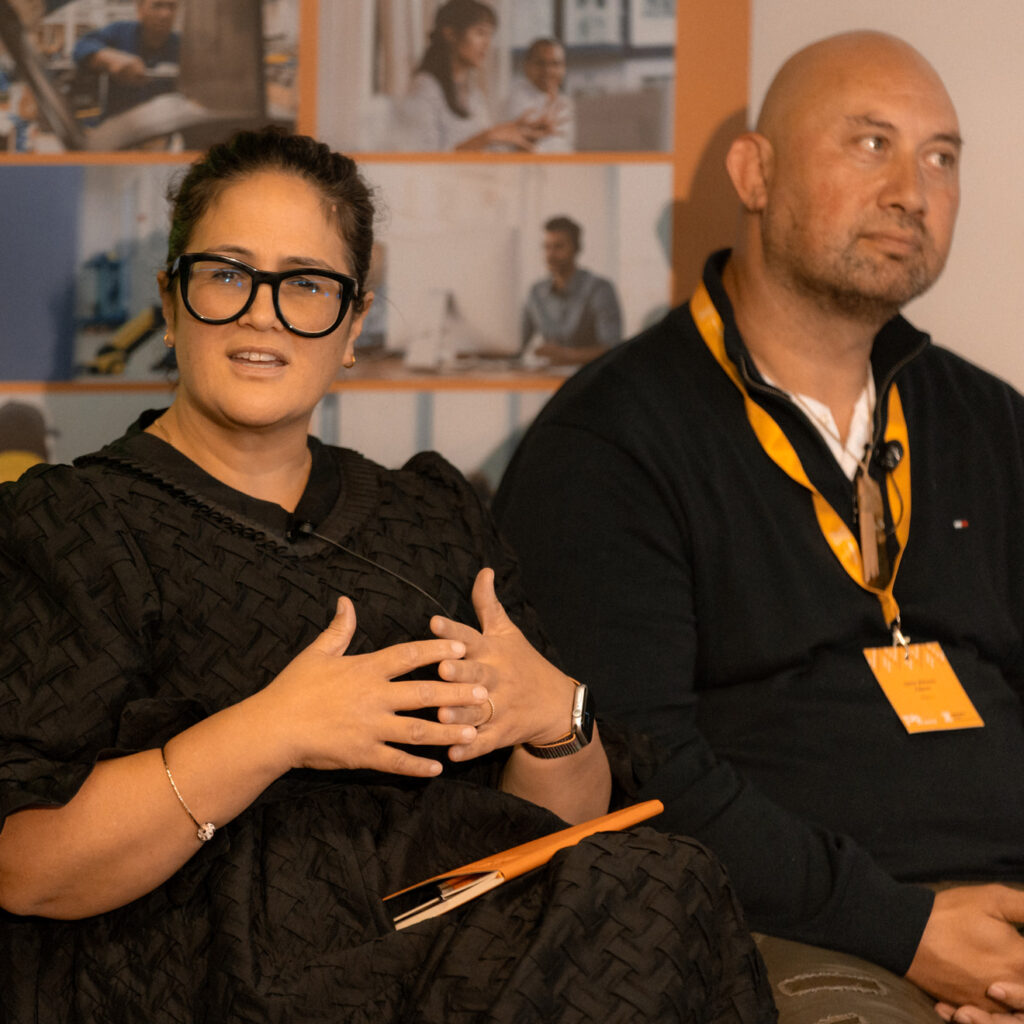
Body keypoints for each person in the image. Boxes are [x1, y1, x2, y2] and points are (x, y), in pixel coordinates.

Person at [0, 127, 774, 1023]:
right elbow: (27, 866)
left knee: (661, 878)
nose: (263, 314)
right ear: (172, 304)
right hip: (203, 971)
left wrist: (554, 721)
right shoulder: (74, 524)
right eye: (226, 276)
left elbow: (552, 833)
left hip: (458, 948)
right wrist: (272, 732)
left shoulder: (431, 514)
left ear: (353, 324)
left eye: (306, 286)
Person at [494, 29, 1024, 1022]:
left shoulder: (988, 421)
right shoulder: (613, 439)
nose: (911, 187)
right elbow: (637, 765)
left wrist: (997, 952)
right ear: (754, 170)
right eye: (869, 143)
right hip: (800, 933)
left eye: (940, 156)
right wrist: (907, 931)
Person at [394, 0, 551, 152]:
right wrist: (489, 136)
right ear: (450, 34)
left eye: (490, 35)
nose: (487, 43)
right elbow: (421, 162)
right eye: (480, 32)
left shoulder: (473, 94)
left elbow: (485, 155)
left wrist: (523, 140)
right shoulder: (425, 88)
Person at [521, 215, 623, 367]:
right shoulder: (536, 292)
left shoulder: (599, 289)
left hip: (590, 381)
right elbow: (517, 344)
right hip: (546, 381)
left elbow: (612, 347)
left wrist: (565, 355)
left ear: (576, 248)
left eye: (558, 247)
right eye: (547, 247)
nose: (550, 254)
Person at [72, 0, 180, 121]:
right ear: (140, 9)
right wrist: (109, 59)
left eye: (172, 7)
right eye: (157, 5)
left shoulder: (184, 48)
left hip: (162, 128)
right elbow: (81, 47)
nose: (166, 14)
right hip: (117, 130)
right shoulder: (119, 32)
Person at [504, 37, 575, 154]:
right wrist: (533, 136)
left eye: (555, 64)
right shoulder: (515, 98)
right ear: (526, 66)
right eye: (541, 63)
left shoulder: (565, 102)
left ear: (564, 68)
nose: (548, 70)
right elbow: (517, 150)